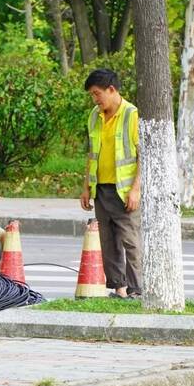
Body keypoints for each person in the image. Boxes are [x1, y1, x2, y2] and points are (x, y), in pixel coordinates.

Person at [79, 68, 142, 299]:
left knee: (130, 240)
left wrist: (136, 189)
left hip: (124, 190)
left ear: (112, 89)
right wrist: (86, 187)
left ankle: (137, 290)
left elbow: (141, 154)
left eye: (97, 94)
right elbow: (91, 153)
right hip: (101, 188)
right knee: (108, 240)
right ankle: (119, 288)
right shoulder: (95, 116)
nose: (95, 99)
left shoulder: (131, 114)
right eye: (92, 96)